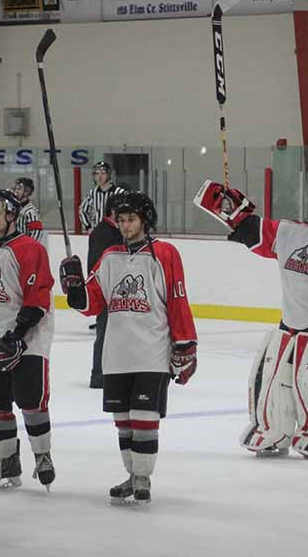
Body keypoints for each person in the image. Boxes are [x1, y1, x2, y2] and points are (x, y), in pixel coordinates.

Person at [196, 178, 308, 459]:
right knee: (269, 383)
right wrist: (232, 212)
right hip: (288, 326)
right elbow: (257, 230)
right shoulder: (295, 233)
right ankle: (273, 431)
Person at [59, 191, 197, 505]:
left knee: (143, 416)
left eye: (130, 219)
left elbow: (177, 301)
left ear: (145, 221)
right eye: (120, 220)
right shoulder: (110, 256)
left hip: (151, 351)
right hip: (117, 353)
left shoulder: (165, 254)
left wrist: (186, 343)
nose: (124, 225)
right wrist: (74, 287)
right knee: (123, 419)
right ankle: (132, 476)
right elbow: (92, 302)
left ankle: (143, 478)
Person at [0, 189, 57, 492]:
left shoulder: (30, 249)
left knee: (31, 402)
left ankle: (43, 456)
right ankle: (8, 461)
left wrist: (19, 336)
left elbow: (37, 299)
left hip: (30, 338)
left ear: (11, 215)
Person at [86, 193, 124, 389]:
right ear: (113, 211)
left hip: (117, 292)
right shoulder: (103, 233)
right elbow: (98, 266)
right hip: (106, 293)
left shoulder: (115, 231)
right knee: (105, 333)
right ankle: (99, 374)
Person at [79, 161, 126, 233]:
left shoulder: (120, 192)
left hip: (116, 233)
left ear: (108, 175)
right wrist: (88, 227)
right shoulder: (92, 193)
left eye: (103, 173)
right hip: (98, 232)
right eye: (97, 173)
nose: (99, 176)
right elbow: (83, 210)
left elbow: (126, 212)